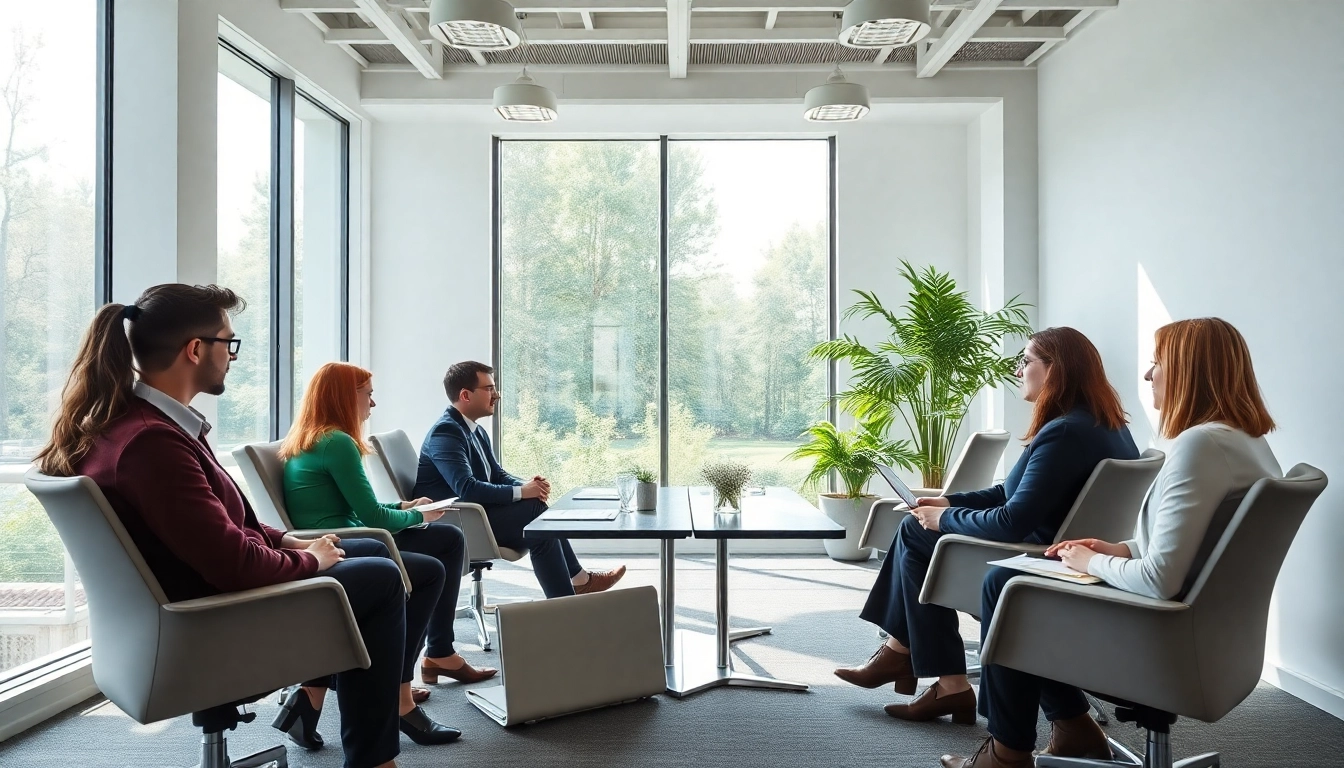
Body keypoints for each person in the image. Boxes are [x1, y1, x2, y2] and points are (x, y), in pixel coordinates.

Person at [33, 284, 452, 768]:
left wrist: (289, 539)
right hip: (210, 621)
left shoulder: (141, 426)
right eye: (228, 343)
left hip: (198, 602)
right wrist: (306, 559)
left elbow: (226, 525)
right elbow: (231, 562)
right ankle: (373, 759)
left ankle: (338, 719)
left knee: (381, 560)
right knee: (379, 577)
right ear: (195, 349)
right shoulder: (152, 444)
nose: (232, 356)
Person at [943, 318, 1281, 768]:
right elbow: (1194, 547)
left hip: (1163, 640)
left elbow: (1160, 580)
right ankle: (1070, 731)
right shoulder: (1249, 443)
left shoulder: (1199, 445)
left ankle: (1008, 754)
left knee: (1006, 585)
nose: (1147, 376)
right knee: (1016, 580)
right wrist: (1119, 549)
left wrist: (1091, 561)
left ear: (1187, 370)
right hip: (1209, 638)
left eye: (1157, 363)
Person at [834, 327, 1139, 726]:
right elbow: (1010, 493)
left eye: (1026, 361)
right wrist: (949, 502)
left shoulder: (1063, 432)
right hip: (1058, 550)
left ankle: (924, 667)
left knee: (914, 532)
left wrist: (942, 519)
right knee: (920, 529)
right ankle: (913, 661)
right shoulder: (1104, 425)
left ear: (1055, 370)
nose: (1017, 370)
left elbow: (1012, 521)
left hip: (1031, 558)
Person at [278, 362, 497, 749]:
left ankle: (320, 695)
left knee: (442, 546)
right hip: (343, 544)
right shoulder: (337, 442)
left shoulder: (313, 440)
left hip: (343, 536)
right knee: (430, 568)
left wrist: (404, 504)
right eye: (367, 394)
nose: (373, 403)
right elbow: (368, 517)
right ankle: (400, 691)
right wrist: (418, 515)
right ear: (346, 397)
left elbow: (354, 505)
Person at [413, 361, 625, 598]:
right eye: (489, 389)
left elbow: (497, 475)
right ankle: (573, 593)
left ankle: (571, 594)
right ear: (465, 395)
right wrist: (524, 493)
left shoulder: (475, 430)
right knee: (535, 513)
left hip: (478, 515)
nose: (497, 395)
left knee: (537, 513)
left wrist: (528, 485)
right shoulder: (446, 432)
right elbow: (466, 488)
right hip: (458, 522)